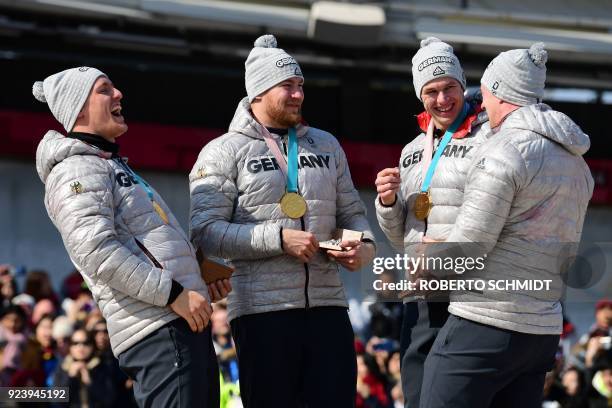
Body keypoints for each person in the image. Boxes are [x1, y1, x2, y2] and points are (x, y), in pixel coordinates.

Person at [189, 34, 376, 407]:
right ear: (257, 92)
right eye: (287, 86)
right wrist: (278, 238)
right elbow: (205, 232)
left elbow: (352, 212)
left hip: (329, 309)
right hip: (263, 314)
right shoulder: (223, 151)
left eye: (300, 85)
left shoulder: (326, 144)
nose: (298, 95)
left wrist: (363, 246)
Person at [33, 67, 229, 407]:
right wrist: (173, 292)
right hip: (158, 326)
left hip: (175, 320)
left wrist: (197, 276)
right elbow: (95, 250)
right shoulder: (75, 169)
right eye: (104, 89)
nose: (119, 93)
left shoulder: (112, 165)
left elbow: (147, 244)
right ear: (78, 108)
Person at [418, 43, 594, 408]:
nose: (481, 104)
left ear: (499, 92)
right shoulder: (577, 163)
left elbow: (470, 246)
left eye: (484, 94)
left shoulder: (504, 150)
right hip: (542, 330)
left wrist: (429, 260)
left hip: (486, 322)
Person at [374, 37, 490, 408]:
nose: (442, 100)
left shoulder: (489, 136)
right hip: (421, 292)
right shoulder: (411, 152)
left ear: (462, 85)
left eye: (449, 88)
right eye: (431, 91)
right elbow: (399, 238)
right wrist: (387, 202)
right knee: (417, 394)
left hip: (471, 290)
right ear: (419, 96)